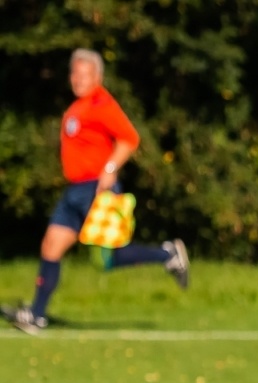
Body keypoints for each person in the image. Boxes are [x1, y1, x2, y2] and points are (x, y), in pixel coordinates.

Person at [5, 49, 188, 336]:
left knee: (106, 259)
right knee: (51, 247)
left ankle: (166, 254)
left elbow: (130, 137)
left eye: (84, 74)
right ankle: (36, 316)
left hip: (96, 189)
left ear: (97, 77)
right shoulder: (78, 107)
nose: (77, 79)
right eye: (74, 73)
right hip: (74, 191)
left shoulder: (102, 102)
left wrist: (111, 167)